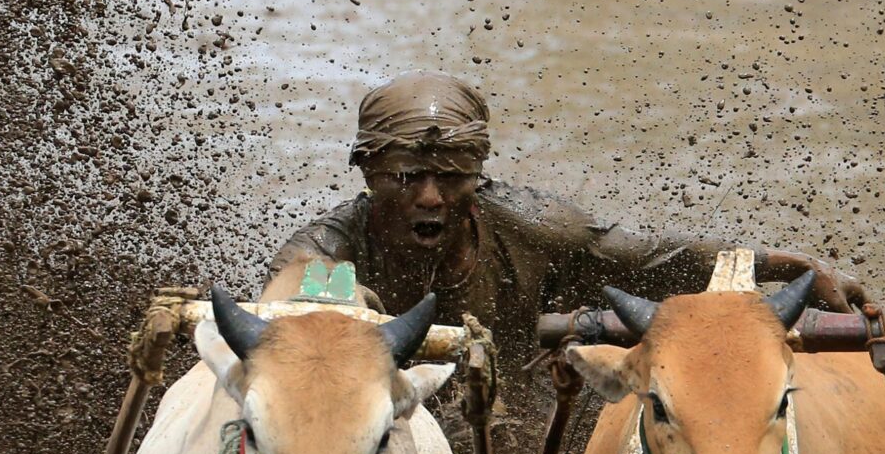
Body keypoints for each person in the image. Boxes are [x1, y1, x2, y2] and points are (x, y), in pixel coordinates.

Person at [260, 73, 854, 354]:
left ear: (478, 175)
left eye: (453, 177)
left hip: (520, 423)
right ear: (369, 174)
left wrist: (789, 265)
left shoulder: (534, 227)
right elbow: (291, 291)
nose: (432, 199)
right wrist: (319, 306)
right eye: (408, 178)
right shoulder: (334, 247)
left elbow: (655, 258)